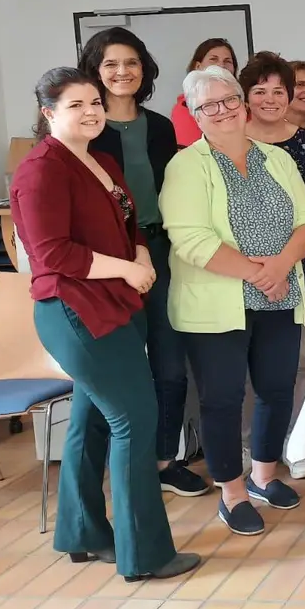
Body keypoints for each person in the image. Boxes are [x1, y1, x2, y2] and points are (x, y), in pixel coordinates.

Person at [9, 67, 199, 582]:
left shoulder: (100, 159)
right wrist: (129, 268)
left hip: (115, 305)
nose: (91, 111)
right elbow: (52, 254)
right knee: (134, 421)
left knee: (93, 421)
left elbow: (128, 220)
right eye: (76, 105)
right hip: (75, 311)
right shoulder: (40, 169)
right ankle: (146, 554)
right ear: (49, 114)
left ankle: (82, 531)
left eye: (95, 102)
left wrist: (139, 250)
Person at [162, 67, 305, 536]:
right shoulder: (186, 166)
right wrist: (260, 272)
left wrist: (280, 267)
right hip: (215, 307)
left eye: (229, 99)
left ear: (242, 102)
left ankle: (264, 477)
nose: (223, 110)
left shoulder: (276, 158)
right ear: (195, 114)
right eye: (208, 105)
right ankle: (231, 494)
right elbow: (191, 240)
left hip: (280, 296)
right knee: (224, 400)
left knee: (277, 388)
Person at [77, 27, 207, 497]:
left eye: (130, 63)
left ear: (143, 69)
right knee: (120, 368)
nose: (121, 72)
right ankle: (122, 468)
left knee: (171, 365)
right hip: (109, 262)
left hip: (162, 254)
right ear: (94, 70)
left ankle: (164, 461)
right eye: (110, 64)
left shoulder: (160, 128)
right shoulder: (86, 132)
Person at [240, 53, 305, 479]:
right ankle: (252, 443)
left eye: (278, 90)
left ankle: (294, 440)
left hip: (301, 267)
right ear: (244, 97)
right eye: (259, 90)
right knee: (244, 364)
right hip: (240, 272)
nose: (269, 98)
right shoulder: (230, 140)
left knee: (294, 361)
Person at [171, 38, 238, 146]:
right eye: (213, 59)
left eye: (227, 61)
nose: (221, 65)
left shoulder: (242, 104)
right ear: (198, 66)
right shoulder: (185, 108)